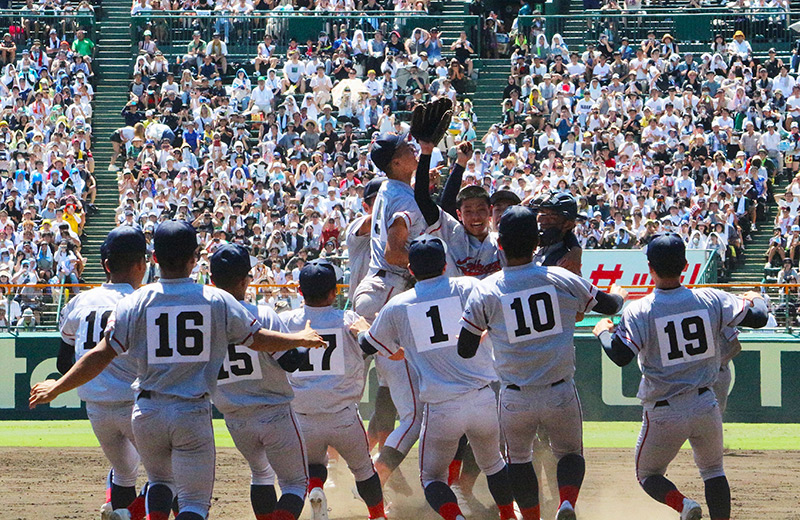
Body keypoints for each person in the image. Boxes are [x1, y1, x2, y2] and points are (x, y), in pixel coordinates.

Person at [29, 220, 325, 520]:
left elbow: (101, 354)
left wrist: (57, 387)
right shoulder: (214, 298)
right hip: (190, 411)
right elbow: (258, 339)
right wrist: (299, 338)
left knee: (159, 482)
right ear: (194, 257)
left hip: (146, 412)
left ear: (154, 258)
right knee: (194, 505)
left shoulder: (136, 301)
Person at [457, 206, 626, 520]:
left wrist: (488, 329)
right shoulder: (561, 278)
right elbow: (609, 305)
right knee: (571, 454)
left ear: (501, 246)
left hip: (514, 396)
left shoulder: (486, 289)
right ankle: (566, 503)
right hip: (559, 391)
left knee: (519, 461)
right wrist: (619, 294)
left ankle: (533, 516)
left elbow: (465, 348)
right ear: (536, 242)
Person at [592, 233, 768, 520]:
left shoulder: (640, 309)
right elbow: (758, 317)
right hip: (704, 404)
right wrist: (757, 297)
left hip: (664, 410)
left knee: (647, 474)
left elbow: (621, 355)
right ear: (685, 264)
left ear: (650, 267)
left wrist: (601, 333)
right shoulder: (710, 297)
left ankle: (684, 505)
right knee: (713, 472)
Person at [354, 236, 516, 520]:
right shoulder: (469, 286)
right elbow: (502, 311)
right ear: (444, 265)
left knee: (432, 479)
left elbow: (368, 346)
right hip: (482, 398)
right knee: (494, 465)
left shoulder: (398, 305)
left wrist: (359, 329)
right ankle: (508, 515)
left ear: (412, 270)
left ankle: (455, 517)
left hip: (441, 407)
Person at [352, 98, 453, 490]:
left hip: (375, 292)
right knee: (413, 413)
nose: (412, 148)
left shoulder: (391, 190)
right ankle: (373, 480)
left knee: (387, 399)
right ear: (396, 163)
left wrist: (426, 154)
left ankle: (369, 469)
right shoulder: (401, 197)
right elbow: (397, 249)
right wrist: (425, 261)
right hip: (390, 293)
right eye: (407, 149)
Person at [209, 244, 309, 520]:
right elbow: (290, 361)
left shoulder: (203, 320)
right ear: (246, 280)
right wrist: (303, 341)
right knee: (295, 484)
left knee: (261, 474)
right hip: (274, 412)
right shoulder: (261, 314)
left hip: (234, 418)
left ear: (212, 280)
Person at [284, 259, 387, 520]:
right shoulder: (348, 319)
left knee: (313, 465)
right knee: (364, 470)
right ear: (334, 292)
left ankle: (316, 488)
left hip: (303, 414)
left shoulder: (285, 321)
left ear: (300, 291)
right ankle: (377, 515)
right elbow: (371, 345)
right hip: (343, 415)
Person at [57, 227, 148, 520]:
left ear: (105, 265)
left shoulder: (80, 301)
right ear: (142, 265)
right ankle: (129, 515)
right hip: (135, 403)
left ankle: (122, 511)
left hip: (96, 406)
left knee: (123, 473)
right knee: (170, 475)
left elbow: (63, 361)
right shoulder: (142, 301)